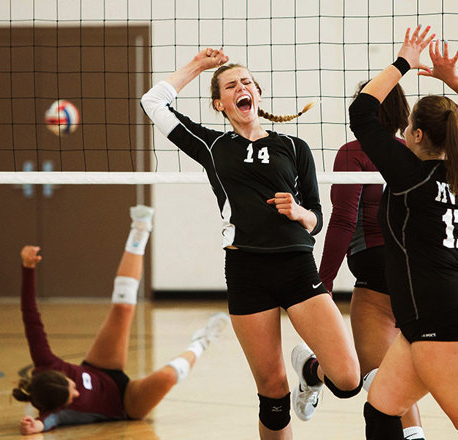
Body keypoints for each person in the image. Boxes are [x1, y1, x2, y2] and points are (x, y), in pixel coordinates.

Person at [141, 48, 361, 440]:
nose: (241, 87)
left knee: (347, 379)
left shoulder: (294, 147)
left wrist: (299, 212)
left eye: (246, 82)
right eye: (230, 85)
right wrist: (200, 65)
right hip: (247, 272)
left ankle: (310, 371)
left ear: (257, 94)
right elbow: (153, 102)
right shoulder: (212, 146)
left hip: (296, 267)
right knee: (273, 394)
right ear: (219, 103)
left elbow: (317, 219)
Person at [349, 26, 458, 440]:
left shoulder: (410, 175)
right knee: (381, 413)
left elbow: (362, 111)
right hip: (431, 314)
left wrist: (405, 60)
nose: (403, 133)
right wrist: (451, 79)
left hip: (439, 315)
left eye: (407, 127)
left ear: (418, 135)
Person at [12, 205, 230, 434]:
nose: (77, 393)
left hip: (100, 368)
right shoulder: (57, 412)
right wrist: (36, 425)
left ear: (56, 375)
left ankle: (140, 228)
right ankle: (202, 341)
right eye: (72, 397)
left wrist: (27, 268)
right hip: (125, 403)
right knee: (167, 376)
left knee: (123, 308)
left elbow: (30, 317)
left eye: (72, 387)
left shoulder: (45, 361)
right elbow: (48, 421)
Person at [319, 82, 426, 440]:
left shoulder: (354, 151)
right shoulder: (413, 152)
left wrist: (324, 283)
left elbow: (343, 220)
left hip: (377, 269)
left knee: (370, 378)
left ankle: (309, 372)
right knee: (395, 376)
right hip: (421, 272)